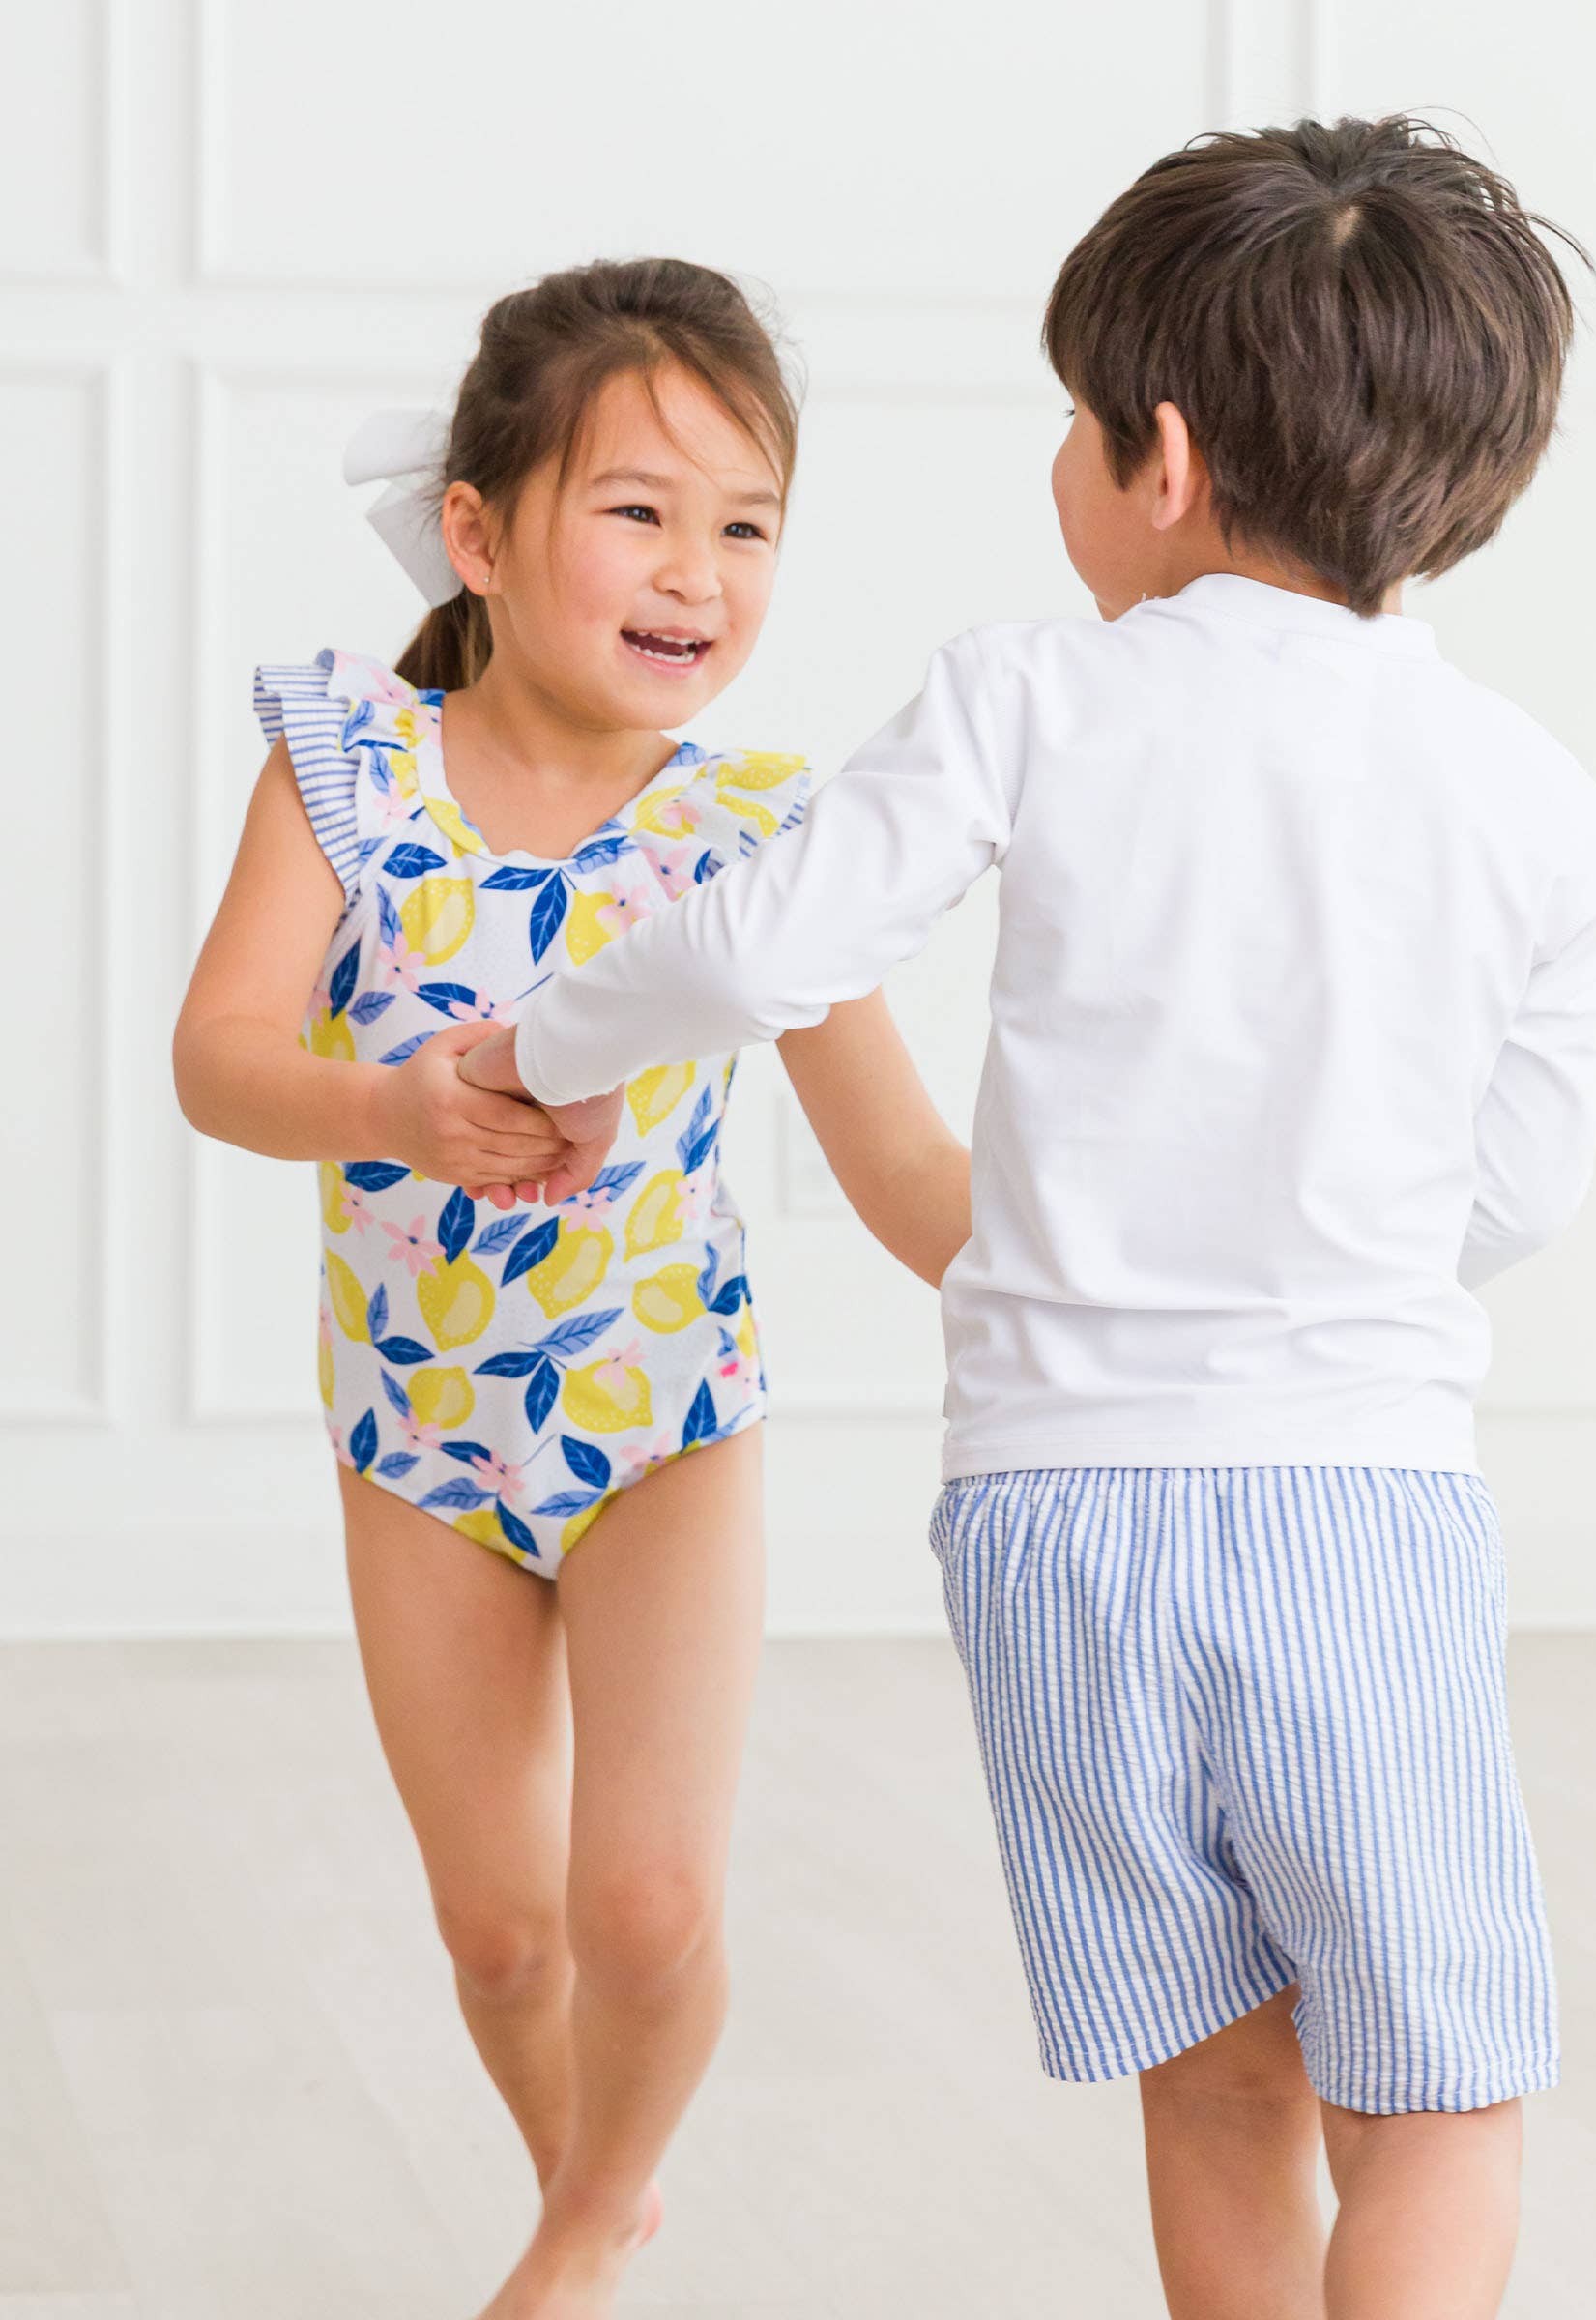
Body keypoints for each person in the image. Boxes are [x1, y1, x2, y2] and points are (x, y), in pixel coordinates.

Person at [458, 121, 1596, 2320]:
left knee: (1209, 2078)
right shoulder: (1550, 816)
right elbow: (1515, 1196)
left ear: (1160, 458)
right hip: (1346, 1511)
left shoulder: (1031, 696)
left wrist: (539, 1050)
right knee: (1441, 2096)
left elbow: (748, 953)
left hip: (1050, 1523)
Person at [171, 256, 968, 2320]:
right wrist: (399, 1108)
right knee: (501, 1935)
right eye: (638, 508)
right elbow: (220, 1057)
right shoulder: (352, 763)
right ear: (480, 534)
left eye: (745, 524)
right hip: (418, 1435)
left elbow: (902, 1168)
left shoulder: (756, 834)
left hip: (661, 1424)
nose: (696, 569)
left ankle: (584, 2233)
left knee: (648, 1899)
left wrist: (1133, 1281)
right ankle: (587, 2199)